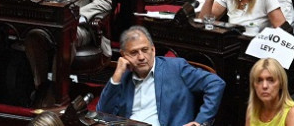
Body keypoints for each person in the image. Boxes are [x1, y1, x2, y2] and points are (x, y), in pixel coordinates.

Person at [97, 26, 226, 124]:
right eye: (134, 53)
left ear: (153, 50)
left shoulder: (176, 68)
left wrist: (200, 122)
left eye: (145, 50)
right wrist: (117, 75)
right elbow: (103, 115)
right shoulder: (124, 77)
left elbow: (215, 84)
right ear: (124, 55)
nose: (141, 57)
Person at [246, 58, 294, 126]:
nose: (264, 86)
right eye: (259, 80)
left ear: (281, 84)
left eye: (271, 80)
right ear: (253, 85)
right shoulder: (252, 110)